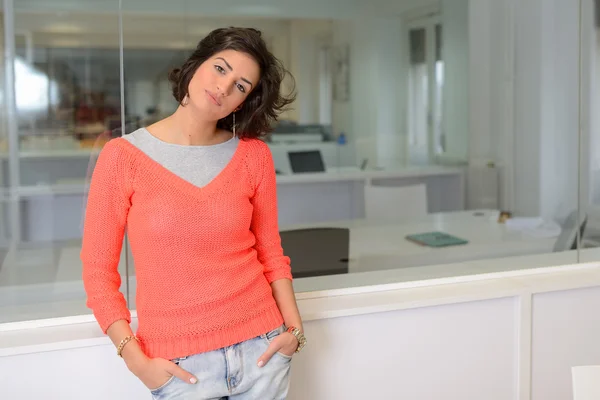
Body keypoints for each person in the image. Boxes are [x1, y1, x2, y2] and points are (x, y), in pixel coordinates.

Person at [81, 27, 306, 400]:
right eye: (220, 69)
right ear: (195, 64)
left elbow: (271, 253)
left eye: (241, 86)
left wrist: (294, 331)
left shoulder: (253, 156)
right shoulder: (122, 158)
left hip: (263, 351)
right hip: (181, 368)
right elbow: (98, 273)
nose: (224, 87)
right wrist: (137, 361)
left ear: (243, 103)